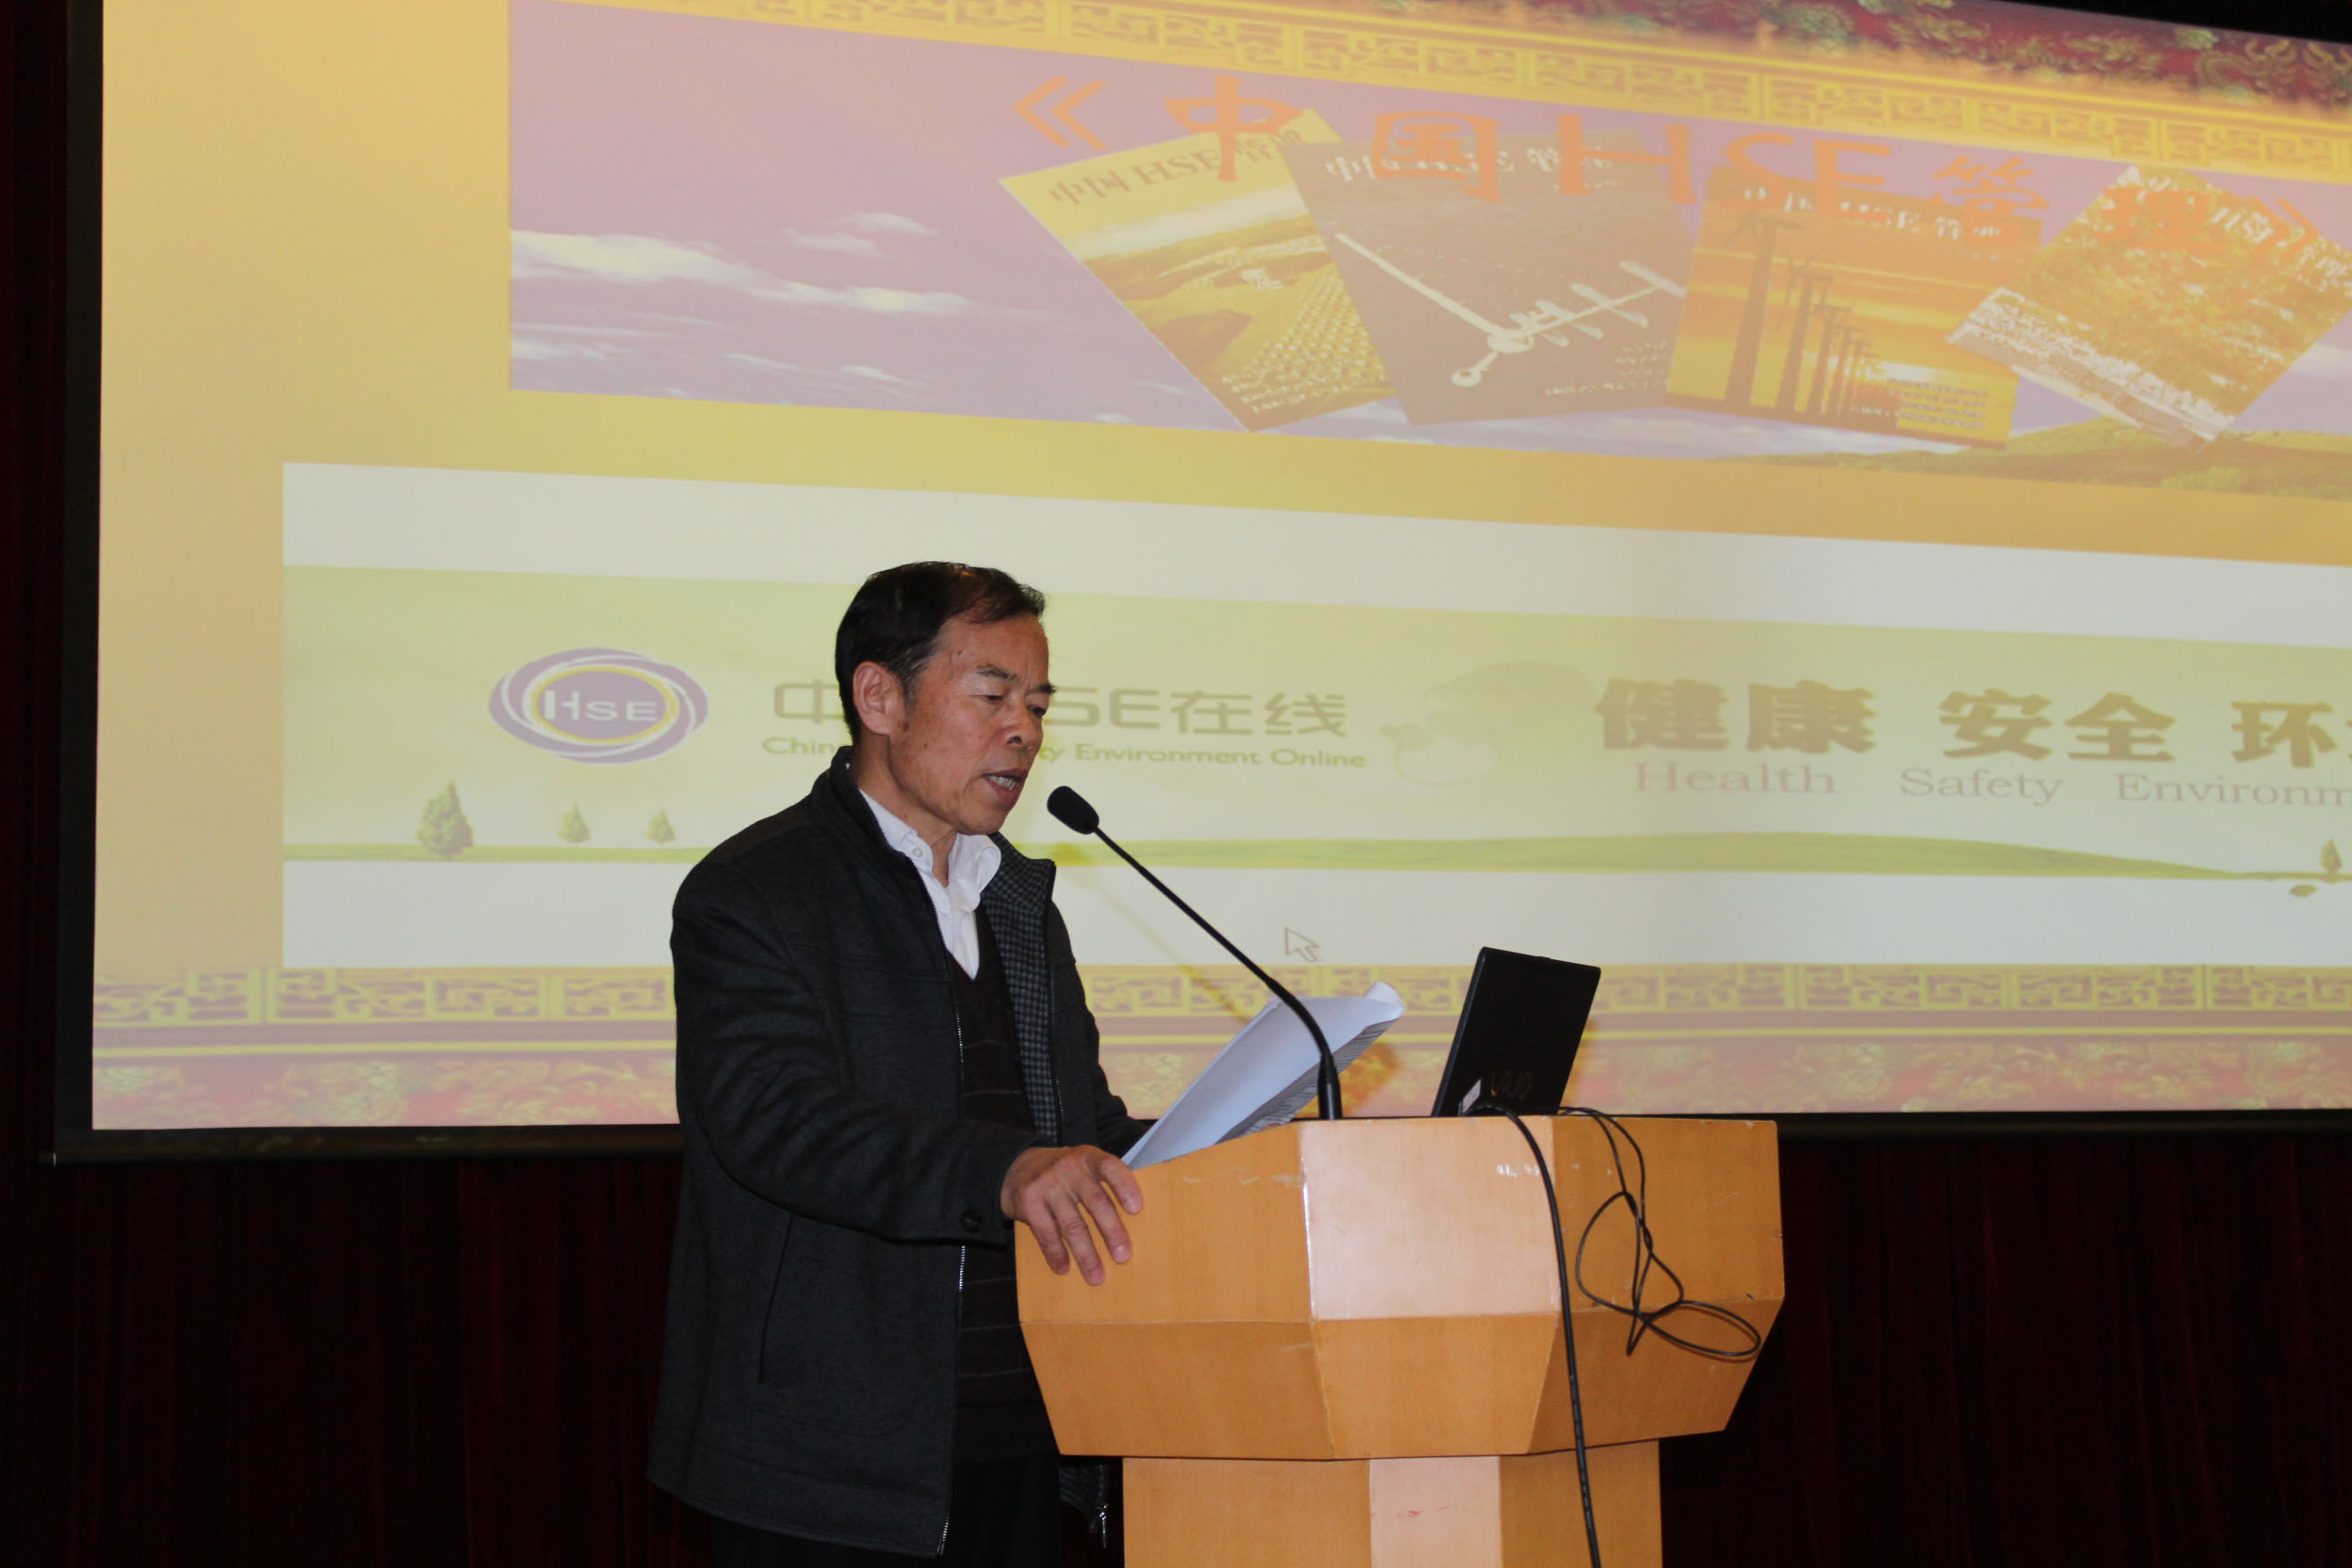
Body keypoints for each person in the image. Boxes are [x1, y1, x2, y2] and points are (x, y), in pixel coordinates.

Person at [651, 563, 1148, 1565]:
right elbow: (779, 1119)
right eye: (992, 694)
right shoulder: (756, 890)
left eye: (1037, 704)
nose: (1023, 731)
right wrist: (1003, 1170)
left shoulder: (1018, 903)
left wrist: (1252, 1142)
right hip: (830, 1458)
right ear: (880, 697)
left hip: (1025, 1427)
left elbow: (1078, 1125)